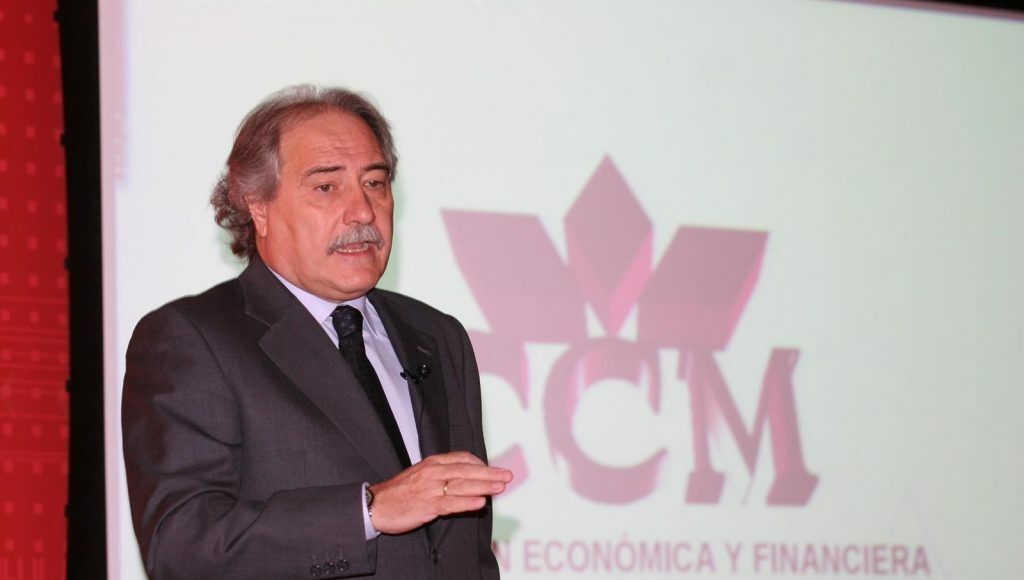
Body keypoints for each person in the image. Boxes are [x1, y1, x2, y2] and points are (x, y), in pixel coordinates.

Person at [122, 85, 513, 580]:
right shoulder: (193, 340)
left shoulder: (438, 337)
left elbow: (468, 553)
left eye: (375, 183)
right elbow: (181, 547)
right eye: (327, 187)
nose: (363, 211)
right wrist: (368, 511)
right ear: (258, 206)